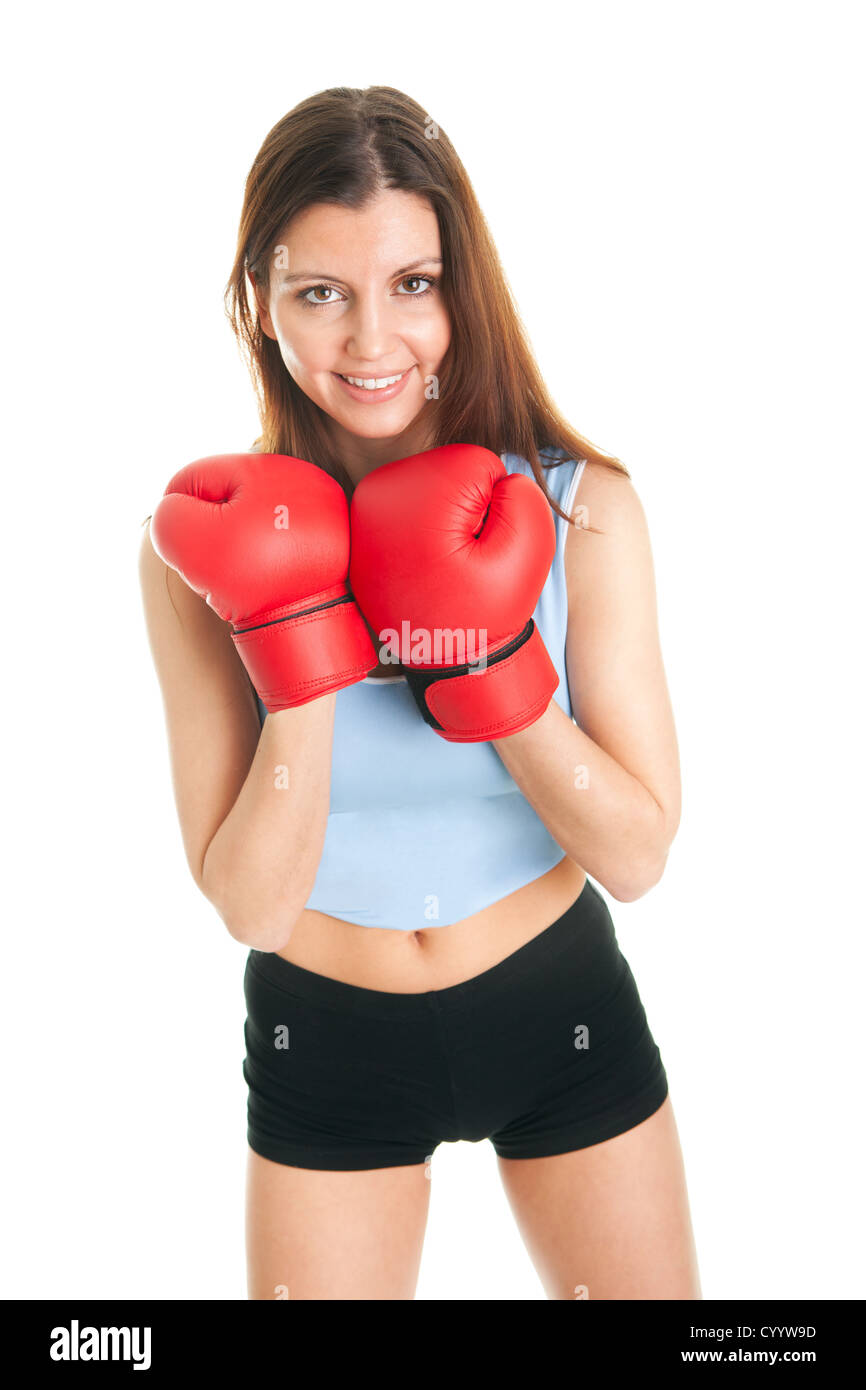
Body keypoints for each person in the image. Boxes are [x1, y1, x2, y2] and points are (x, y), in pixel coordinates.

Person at [139, 85, 701, 1301]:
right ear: (260, 302)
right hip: (324, 1037)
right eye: (319, 293)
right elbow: (248, 906)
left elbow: (641, 855)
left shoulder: (581, 507)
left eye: (411, 284)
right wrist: (297, 644)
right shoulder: (195, 554)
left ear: (461, 289)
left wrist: (494, 668)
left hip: (559, 1007)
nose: (368, 341)